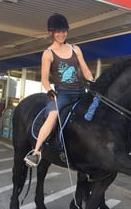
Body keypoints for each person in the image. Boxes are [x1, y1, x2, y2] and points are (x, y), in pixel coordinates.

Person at [25, 13, 95, 167]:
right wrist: (49, 90)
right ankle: (36, 151)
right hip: (62, 93)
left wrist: (93, 82)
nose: (61, 34)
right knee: (53, 115)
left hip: (80, 91)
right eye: (58, 31)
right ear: (51, 33)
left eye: (64, 31)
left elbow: (85, 70)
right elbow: (44, 78)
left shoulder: (75, 49)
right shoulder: (48, 53)